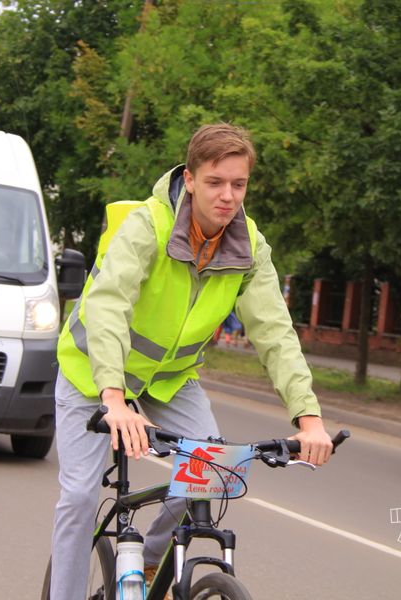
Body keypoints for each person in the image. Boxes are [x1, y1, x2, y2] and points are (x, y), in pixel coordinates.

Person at [50, 123, 333, 600]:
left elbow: (274, 333)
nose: (227, 196)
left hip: (168, 382)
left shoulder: (249, 248)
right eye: (216, 182)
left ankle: (154, 559)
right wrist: (114, 399)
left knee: (212, 475)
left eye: (238, 185)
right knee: (79, 498)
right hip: (92, 373)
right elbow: (108, 306)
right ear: (192, 178)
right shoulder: (149, 225)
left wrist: (309, 418)